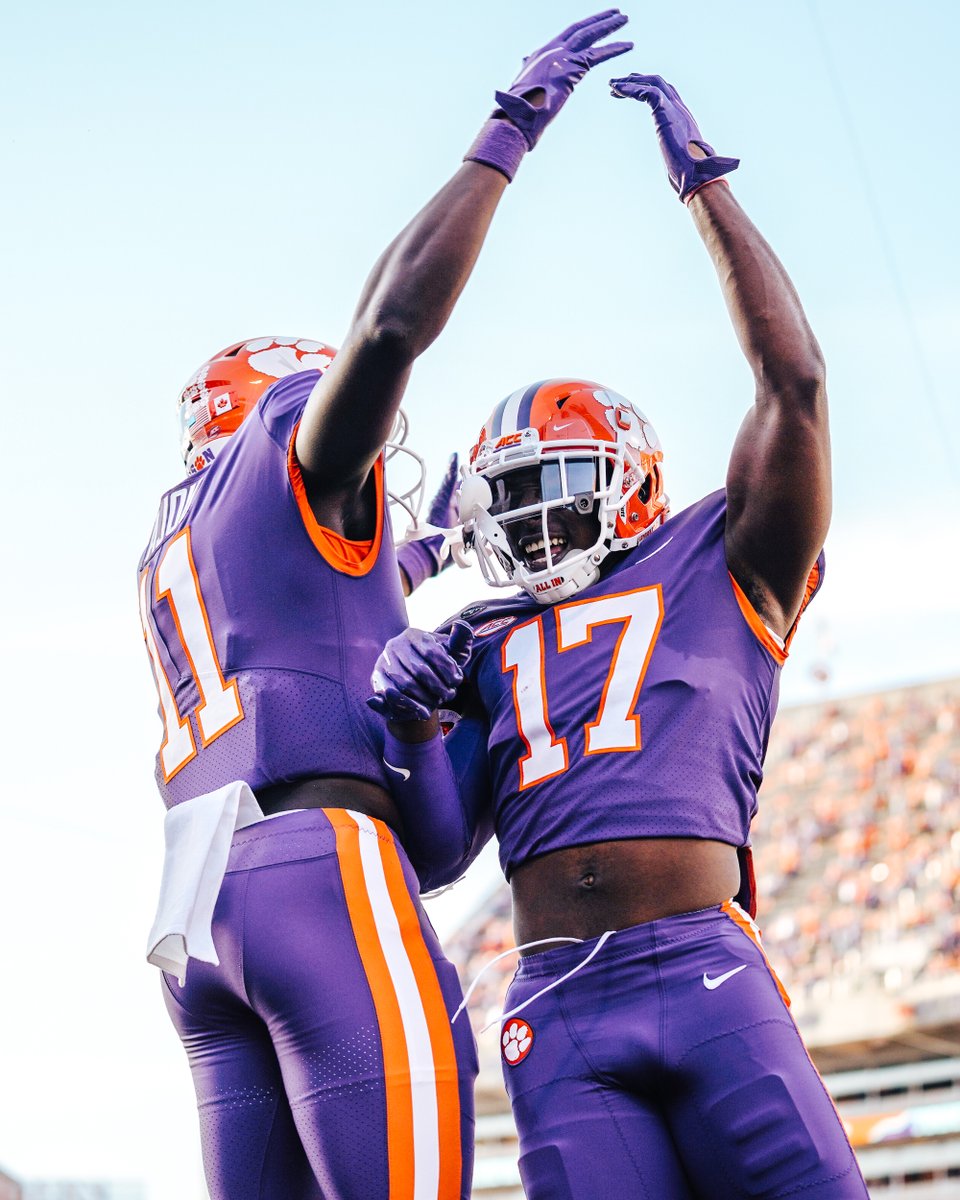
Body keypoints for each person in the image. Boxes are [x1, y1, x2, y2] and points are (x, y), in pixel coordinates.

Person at [135, 13, 632, 1200]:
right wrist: (507, 134)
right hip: (321, 870)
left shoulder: (179, 540)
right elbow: (392, 327)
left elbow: (314, 611)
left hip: (198, 911)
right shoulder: (284, 447)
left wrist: (428, 552)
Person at [369, 72, 870, 1199]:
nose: (533, 518)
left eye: (555, 483)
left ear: (631, 477)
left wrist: (707, 194)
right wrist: (406, 725)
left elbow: (794, 382)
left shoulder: (723, 555)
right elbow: (440, 853)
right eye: (511, 496)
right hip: (554, 998)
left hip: (702, 967)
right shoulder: (485, 635)